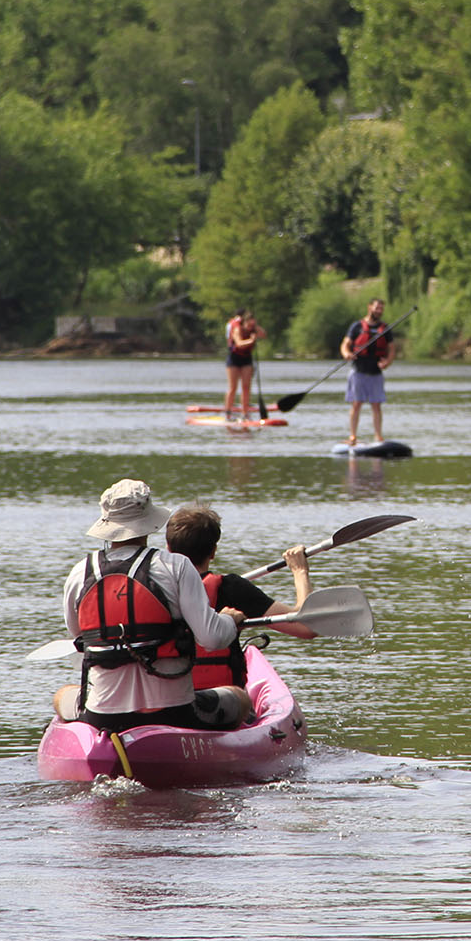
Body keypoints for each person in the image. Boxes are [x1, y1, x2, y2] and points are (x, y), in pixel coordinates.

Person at [51, 478, 245, 731]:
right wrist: (230, 620)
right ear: (148, 522)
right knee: (240, 697)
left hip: (104, 716)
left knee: (62, 695)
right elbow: (211, 638)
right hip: (174, 713)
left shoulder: (80, 573)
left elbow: (79, 638)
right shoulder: (176, 566)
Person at [164, 502, 317, 702]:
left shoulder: (151, 588)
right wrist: (299, 571)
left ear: (168, 549)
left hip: (166, 701)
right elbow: (306, 627)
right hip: (221, 700)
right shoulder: (231, 588)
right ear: (213, 552)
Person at [340, 297, 394, 446]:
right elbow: (345, 345)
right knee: (356, 404)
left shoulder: (385, 328)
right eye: (377, 308)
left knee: (376, 405)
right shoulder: (356, 326)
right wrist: (346, 354)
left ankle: (378, 436)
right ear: (369, 307)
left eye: (381, 309)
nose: (379, 311)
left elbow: (392, 350)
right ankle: (353, 436)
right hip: (358, 372)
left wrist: (387, 363)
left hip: (376, 373)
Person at [223, 308, 263, 420]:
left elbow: (264, 334)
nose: (250, 327)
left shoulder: (253, 330)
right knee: (233, 387)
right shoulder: (237, 329)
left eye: (252, 325)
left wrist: (256, 328)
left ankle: (245, 413)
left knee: (246, 387)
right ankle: (228, 412)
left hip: (246, 359)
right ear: (244, 322)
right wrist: (251, 340)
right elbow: (239, 343)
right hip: (234, 359)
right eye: (249, 324)